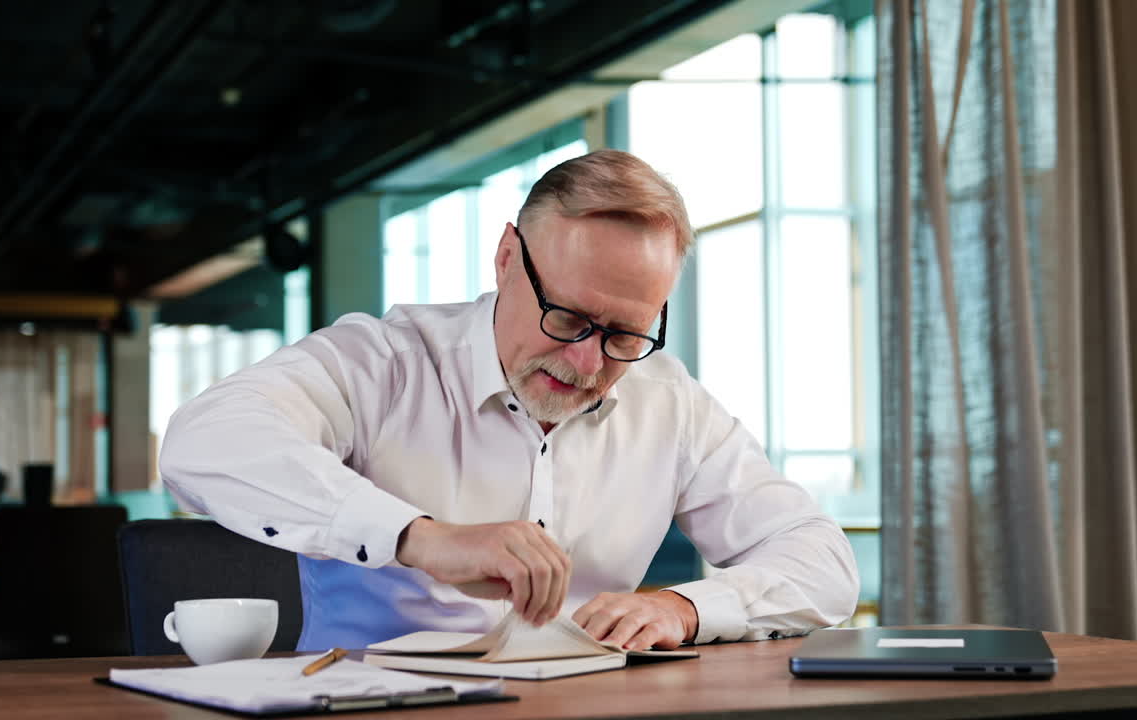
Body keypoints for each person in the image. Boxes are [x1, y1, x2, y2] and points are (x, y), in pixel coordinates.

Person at [160, 149, 859, 652]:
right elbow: (203, 442)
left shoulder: (667, 400)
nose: (587, 361)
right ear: (505, 259)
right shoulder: (384, 363)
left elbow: (822, 561)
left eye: (623, 334)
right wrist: (423, 538)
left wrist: (688, 606)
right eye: (568, 318)